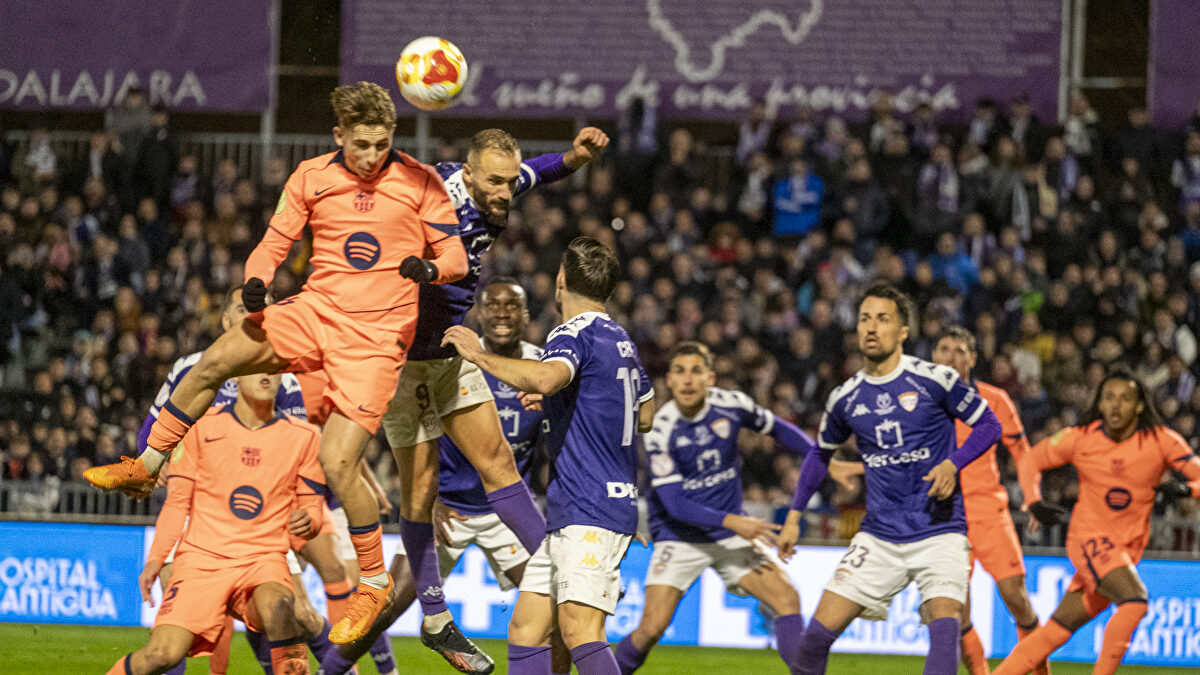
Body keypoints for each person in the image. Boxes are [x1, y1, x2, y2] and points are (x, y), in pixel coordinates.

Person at [85, 81, 468, 645]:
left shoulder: (420, 181)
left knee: (339, 462)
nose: (371, 156)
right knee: (214, 360)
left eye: (381, 144)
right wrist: (257, 280)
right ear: (339, 135)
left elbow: (456, 256)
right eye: (361, 144)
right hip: (315, 311)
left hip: (375, 340)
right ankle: (147, 463)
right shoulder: (311, 176)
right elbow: (272, 242)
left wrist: (430, 270)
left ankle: (372, 582)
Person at [378, 126, 606, 668]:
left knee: (499, 463)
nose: (507, 192)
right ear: (467, 173)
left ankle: (554, 566)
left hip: (451, 351)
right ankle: (435, 619)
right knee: (421, 490)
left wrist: (575, 158)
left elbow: (539, 171)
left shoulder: (499, 187)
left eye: (509, 181)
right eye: (496, 182)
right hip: (401, 360)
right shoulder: (432, 196)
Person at [137, 285, 399, 673]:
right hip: (199, 513)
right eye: (241, 308)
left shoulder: (283, 377)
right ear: (225, 319)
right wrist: (155, 462)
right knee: (176, 624)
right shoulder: (189, 368)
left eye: (260, 308)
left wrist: (305, 510)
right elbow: (150, 432)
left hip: (259, 524)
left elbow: (299, 454)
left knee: (298, 612)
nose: (252, 314)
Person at [323, 278, 570, 675]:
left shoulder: (539, 370)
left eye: (512, 306)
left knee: (560, 603)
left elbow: (563, 445)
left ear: (526, 315)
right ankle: (328, 670)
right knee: (387, 607)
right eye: (493, 305)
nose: (502, 313)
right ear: (478, 313)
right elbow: (414, 434)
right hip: (448, 510)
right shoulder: (457, 353)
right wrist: (428, 500)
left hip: (503, 514)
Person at [442, 236, 655, 675]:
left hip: (590, 506)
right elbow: (646, 414)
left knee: (579, 630)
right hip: (578, 507)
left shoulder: (572, 331)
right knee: (526, 629)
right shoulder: (621, 339)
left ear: (561, 280)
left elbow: (545, 377)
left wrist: (477, 354)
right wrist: (564, 403)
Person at [778, 284, 1002, 675]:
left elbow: (989, 425)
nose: (871, 327)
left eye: (883, 319)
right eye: (865, 318)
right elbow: (819, 454)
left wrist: (953, 464)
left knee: (945, 627)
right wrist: (794, 516)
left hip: (939, 531)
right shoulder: (846, 397)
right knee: (813, 641)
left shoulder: (934, 379)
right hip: (879, 536)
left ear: (903, 331)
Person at [828, 326, 1049, 675]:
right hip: (944, 516)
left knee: (1016, 597)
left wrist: (1033, 497)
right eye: (944, 349)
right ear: (933, 357)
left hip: (989, 511)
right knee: (956, 611)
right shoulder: (913, 401)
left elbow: (1022, 452)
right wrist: (856, 468)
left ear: (972, 359)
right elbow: (895, 456)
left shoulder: (995, 400)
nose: (951, 357)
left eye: (960, 351)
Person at [614, 341, 815, 674]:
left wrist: (820, 458)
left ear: (709, 378)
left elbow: (779, 429)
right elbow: (675, 504)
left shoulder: (731, 405)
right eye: (680, 371)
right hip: (680, 538)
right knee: (651, 628)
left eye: (696, 371)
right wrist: (735, 522)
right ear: (669, 380)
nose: (688, 379)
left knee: (787, 600)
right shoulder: (661, 429)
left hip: (729, 534)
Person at [106, 372, 326, 675]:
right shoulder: (201, 428)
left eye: (273, 369)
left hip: (262, 561)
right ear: (236, 378)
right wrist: (155, 559)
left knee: (282, 609)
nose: (266, 374)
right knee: (161, 655)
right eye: (257, 367)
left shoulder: (305, 437)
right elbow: (177, 502)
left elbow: (312, 506)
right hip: (202, 561)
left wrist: (310, 520)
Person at [992, 366, 1200, 675]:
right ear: (1099, 403)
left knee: (1056, 630)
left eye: (1125, 399)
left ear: (1139, 405)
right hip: (1089, 539)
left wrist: (1187, 489)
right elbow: (1030, 460)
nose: (1116, 406)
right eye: (1109, 398)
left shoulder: (1161, 441)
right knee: (1135, 602)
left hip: (1126, 550)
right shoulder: (1081, 438)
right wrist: (1033, 500)